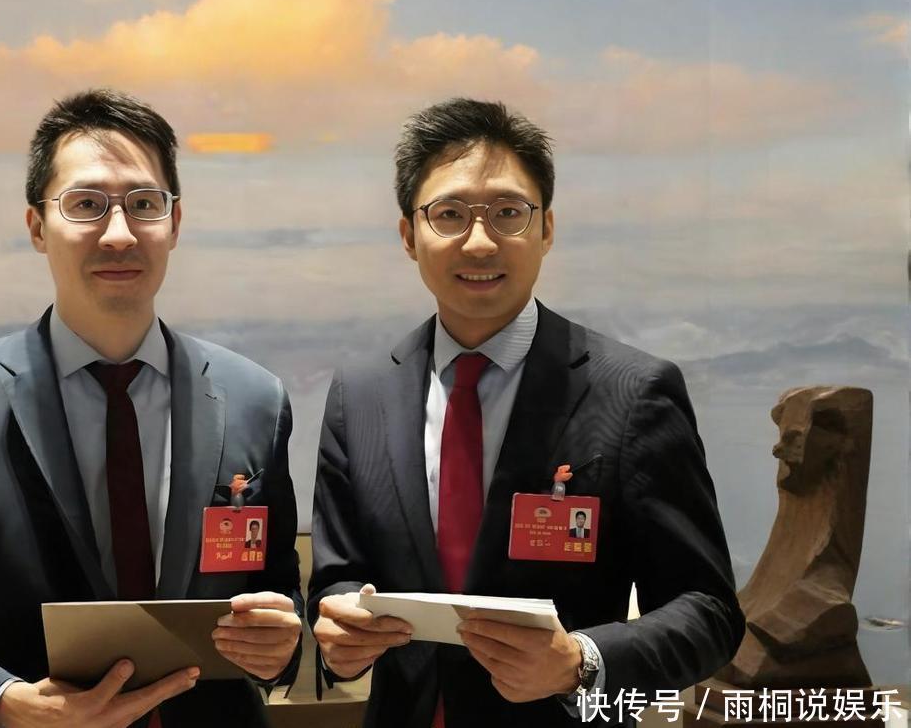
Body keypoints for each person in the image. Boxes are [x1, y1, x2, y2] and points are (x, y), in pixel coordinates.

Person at [0, 89, 302, 728]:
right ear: (36, 227)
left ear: (175, 223)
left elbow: (276, 592)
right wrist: (0, 704)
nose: (119, 233)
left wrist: (281, 642)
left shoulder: (254, 401)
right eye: (86, 205)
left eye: (144, 204)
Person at [308, 98, 743, 727]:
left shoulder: (633, 392)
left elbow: (708, 609)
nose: (480, 242)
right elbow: (339, 577)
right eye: (449, 214)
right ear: (408, 236)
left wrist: (582, 662)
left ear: (546, 230)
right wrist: (341, 625)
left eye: (508, 213)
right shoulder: (361, 395)